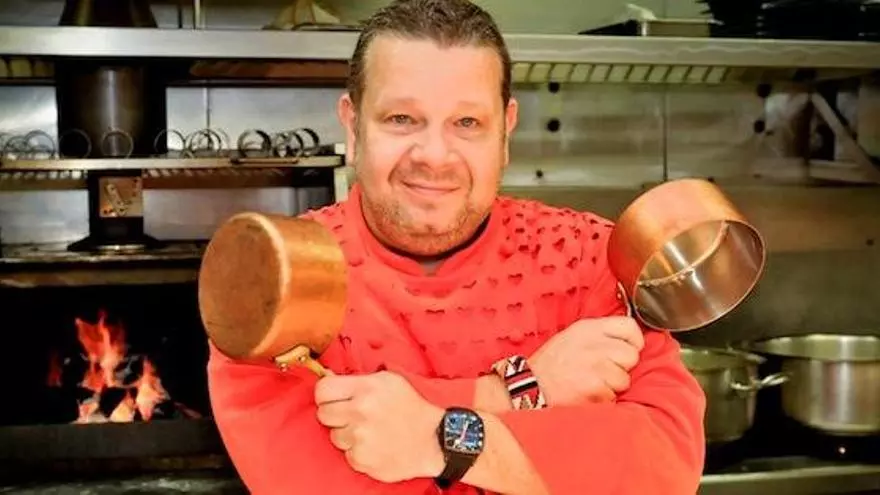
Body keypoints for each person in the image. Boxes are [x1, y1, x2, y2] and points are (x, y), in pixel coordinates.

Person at [206, 0, 706, 493]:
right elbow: (316, 481)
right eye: (401, 118)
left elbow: (661, 470)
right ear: (352, 126)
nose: (435, 156)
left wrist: (432, 438)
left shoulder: (590, 255)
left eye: (467, 123)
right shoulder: (275, 273)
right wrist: (517, 391)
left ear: (505, 132)